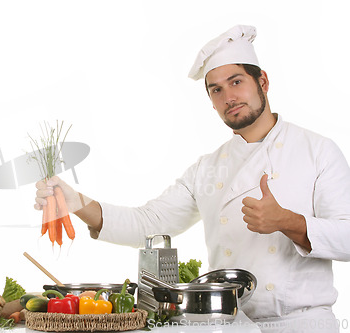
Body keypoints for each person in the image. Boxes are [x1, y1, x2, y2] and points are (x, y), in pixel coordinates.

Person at [34, 25, 350, 331]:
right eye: (216, 89)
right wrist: (74, 201)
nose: (229, 96)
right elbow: (148, 223)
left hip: (302, 325)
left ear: (263, 81)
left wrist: (287, 221)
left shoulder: (317, 151)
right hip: (230, 325)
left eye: (236, 81)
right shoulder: (208, 168)